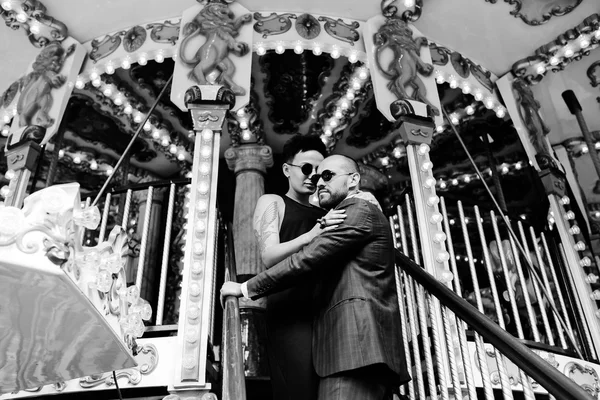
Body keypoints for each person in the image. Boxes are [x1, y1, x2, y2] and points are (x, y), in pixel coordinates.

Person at [222, 154, 410, 400]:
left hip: (356, 346)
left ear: (354, 180)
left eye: (328, 175)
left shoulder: (358, 209)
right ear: (286, 170)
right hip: (340, 346)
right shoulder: (336, 212)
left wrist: (245, 288)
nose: (319, 181)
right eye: (318, 175)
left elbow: (305, 260)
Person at [253, 135, 346, 400]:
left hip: (327, 309)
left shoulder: (326, 210)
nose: (312, 177)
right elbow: (269, 256)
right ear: (286, 169)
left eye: (320, 172)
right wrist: (313, 234)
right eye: (306, 168)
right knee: (300, 389)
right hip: (290, 309)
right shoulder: (273, 202)